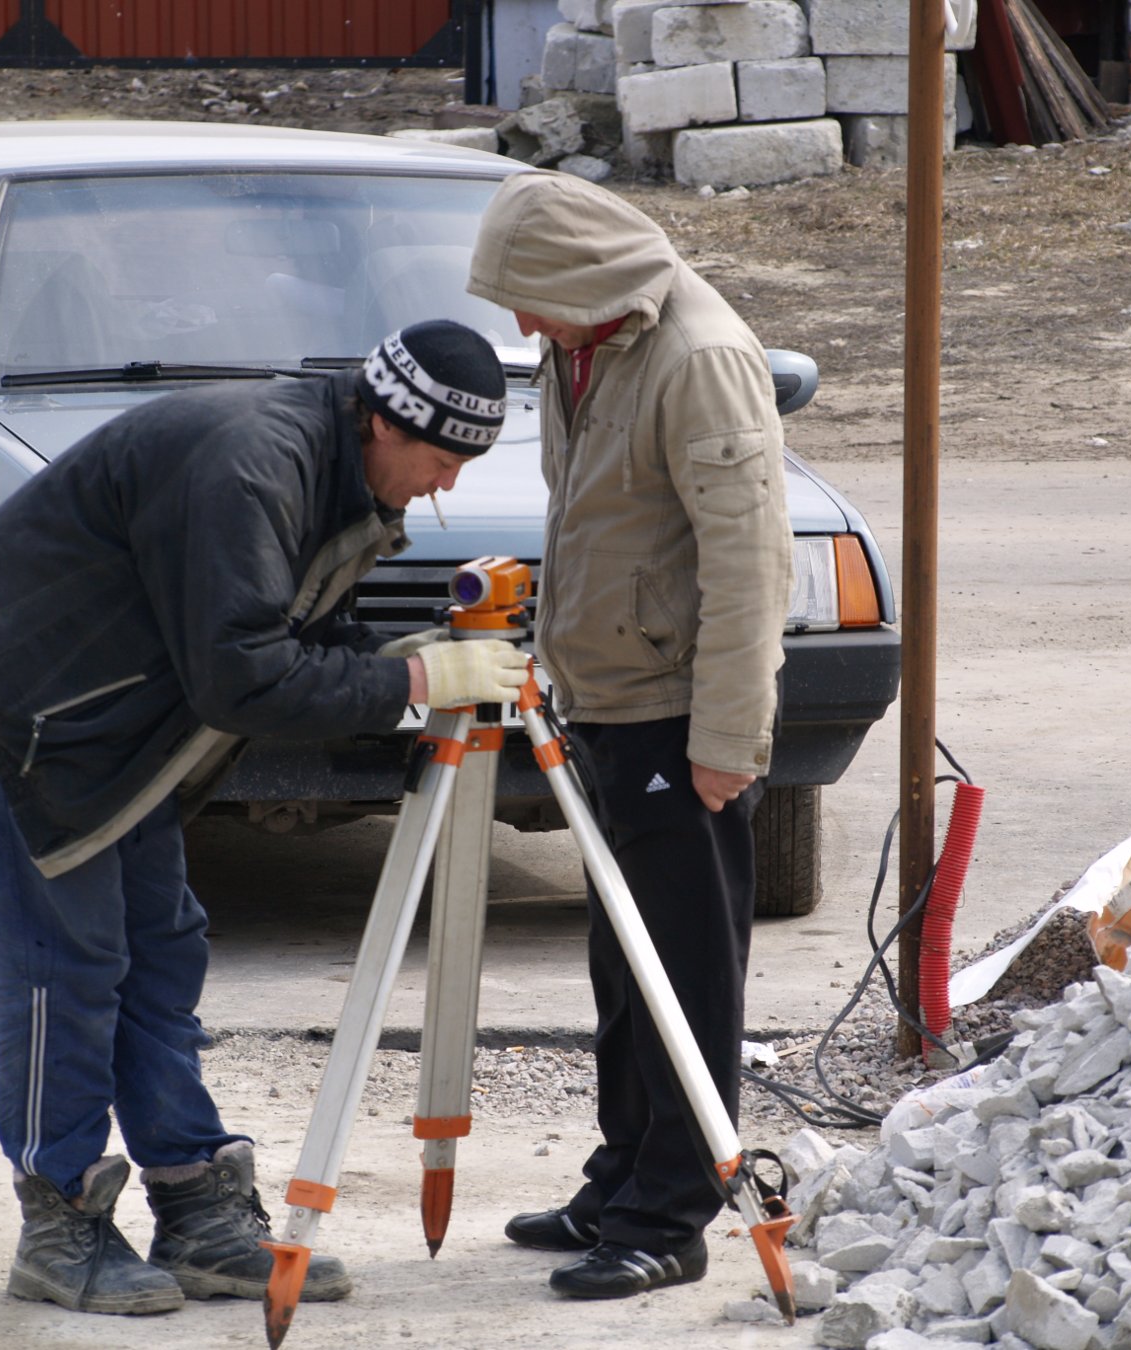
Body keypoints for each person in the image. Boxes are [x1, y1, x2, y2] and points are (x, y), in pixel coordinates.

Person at [0, 320, 530, 1316]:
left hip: (131, 706)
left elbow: (293, 620)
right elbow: (243, 677)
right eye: (440, 459)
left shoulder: (337, 467)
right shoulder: (254, 464)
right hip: (36, 698)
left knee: (161, 948)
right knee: (65, 964)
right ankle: (59, 1222)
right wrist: (417, 680)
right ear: (383, 422)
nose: (447, 486)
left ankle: (195, 1205)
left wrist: (396, 656)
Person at [466, 172, 793, 1300]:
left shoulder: (697, 357)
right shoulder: (587, 342)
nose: (518, 325)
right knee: (623, 962)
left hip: (674, 713)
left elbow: (751, 565)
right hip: (609, 698)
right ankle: (625, 1175)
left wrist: (727, 739)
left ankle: (671, 1213)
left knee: (683, 971)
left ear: (581, 278)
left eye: (529, 297)